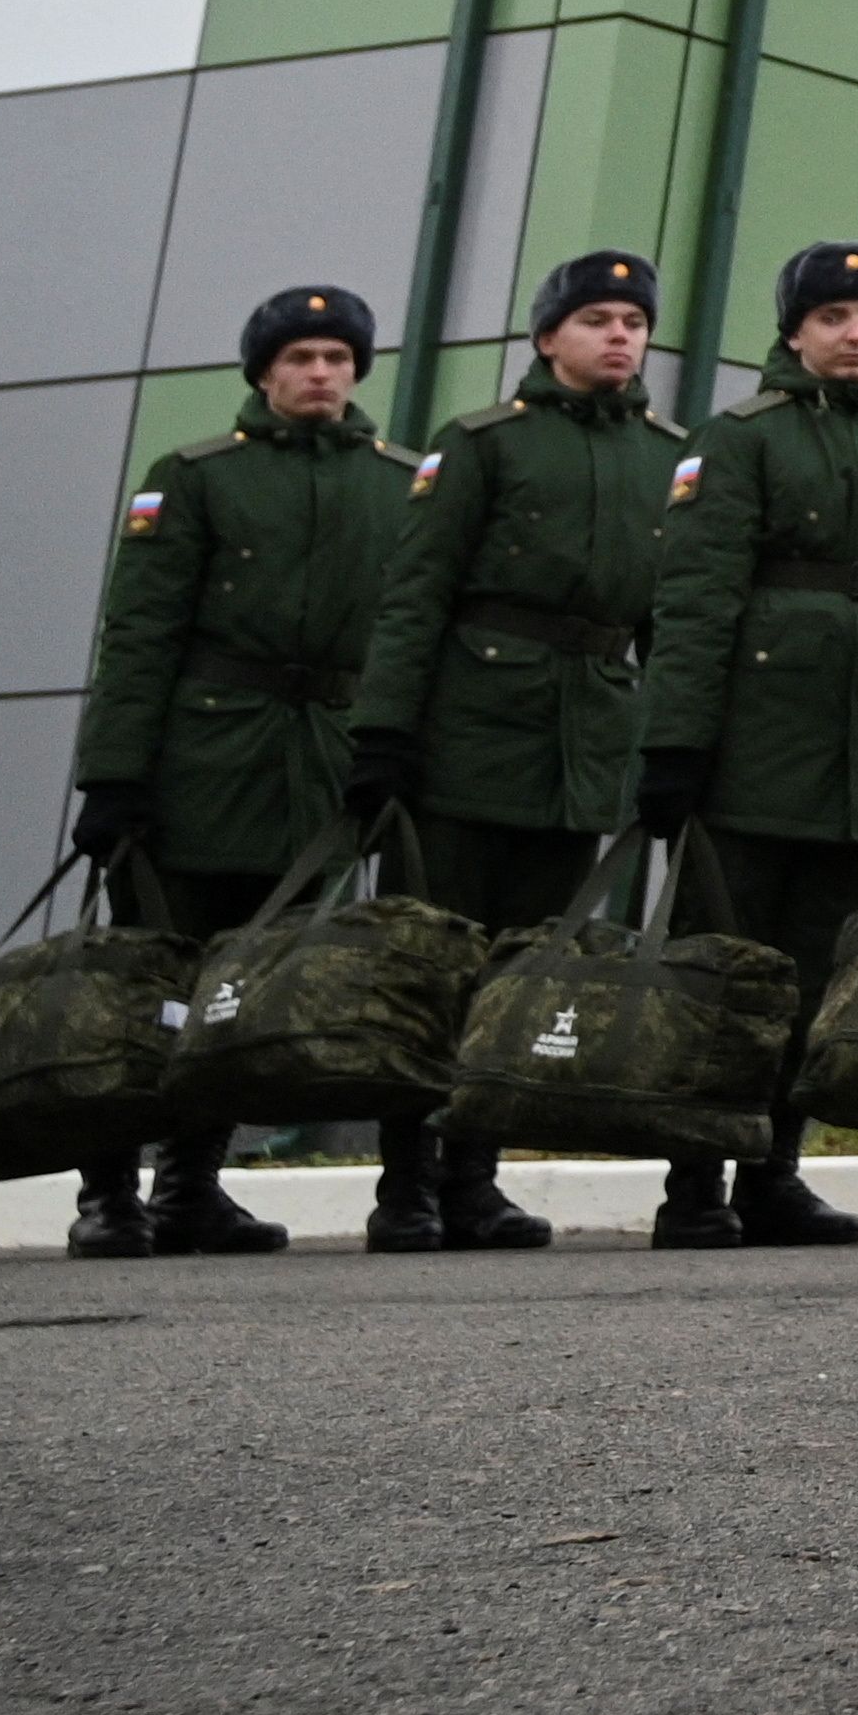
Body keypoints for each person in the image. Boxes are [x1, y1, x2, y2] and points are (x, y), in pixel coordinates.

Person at [631, 244, 858, 1247]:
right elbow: (694, 600)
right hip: (749, 749)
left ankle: (773, 1170)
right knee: (724, 970)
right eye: (833, 315)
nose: (856, 332)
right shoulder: (742, 437)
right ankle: (695, 1182)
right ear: (794, 330)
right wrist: (674, 746)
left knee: (822, 972)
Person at [346, 248, 680, 1252]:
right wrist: (383, 734)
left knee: (527, 972)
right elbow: (416, 597)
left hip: (583, 747)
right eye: (596, 320)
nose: (619, 336)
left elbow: (674, 618)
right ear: (547, 339)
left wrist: (664, 742)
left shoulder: (670, 455)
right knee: (431, 965)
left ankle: (474, 1176)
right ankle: (404, 1183)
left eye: (633, 321)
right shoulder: (483, 443)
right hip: (465, 741)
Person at [60, 282, 400, 1258]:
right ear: (263, 372)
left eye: (338, 358)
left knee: (243, 996)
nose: (321, 373)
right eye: (301, 357)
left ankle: (191, 1187)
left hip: (317, 771)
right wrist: (112, 779)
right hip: (196, 767)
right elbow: (138, 637)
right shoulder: (198, 475)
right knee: (150, 984)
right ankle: (108, 1194)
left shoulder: (397, 481)